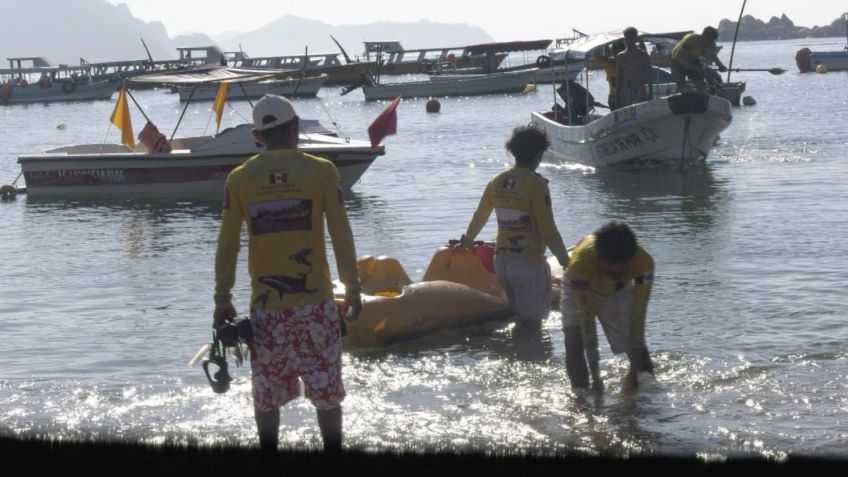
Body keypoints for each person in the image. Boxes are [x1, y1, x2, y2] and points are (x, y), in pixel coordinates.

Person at [213, 94, 362, 452]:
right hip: (316, 306)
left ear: (258, 135)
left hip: (266, 312)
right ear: (295, 126)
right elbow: (341, 235)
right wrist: (353, 288)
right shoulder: (322, 171)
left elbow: (227, 244)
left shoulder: (240, 178)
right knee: (327, 397)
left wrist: (222, 299)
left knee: (266, 399)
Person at [459, 124, 570, 333]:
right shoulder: (537, 184)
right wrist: (565, 261)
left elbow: (480, 217)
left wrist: (467, 240)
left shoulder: (497, 181)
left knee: (520, 319)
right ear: (539, 154)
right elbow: (548, 229)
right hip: (529, 264)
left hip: (502, 263)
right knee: (533, 327)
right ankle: (527, 360)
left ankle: (516, 354)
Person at [560, 221, 655, 392]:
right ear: (599, 257)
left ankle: (649, 396)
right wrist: (596, 377)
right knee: (574, 338)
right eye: (611, 266)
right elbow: (587, 322)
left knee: (636, 347)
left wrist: (632, 374)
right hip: (579, 284)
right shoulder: (580, 265)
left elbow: (638, 321)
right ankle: (580, 395)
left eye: (622, 266)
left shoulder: (644, 263)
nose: (617, 270)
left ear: (631, 258)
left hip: (619, 288)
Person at [671, 26, 728, 94]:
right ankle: (676, 99)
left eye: (712, 40)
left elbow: (713, 56)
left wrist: (721, 66)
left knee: (701, 85)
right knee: (680, 84)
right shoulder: (691, 40)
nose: (709, 43)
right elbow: (678, 57)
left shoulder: (711, 45)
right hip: (678, 62)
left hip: (693, 61)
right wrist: (692, 67)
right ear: (703, 36)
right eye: (709, 40)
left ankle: (702, 99)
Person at [615, 27, 653, 108]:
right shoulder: (620, 56)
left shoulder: (643, 55)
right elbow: (618, 77)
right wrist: (616, 96)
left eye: (631, 38)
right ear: (624, 39)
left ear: (636, 39)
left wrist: (651, 92)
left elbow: (649, 75)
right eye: (627, 38)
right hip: (625, 91)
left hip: (640, 91)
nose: (629, 41)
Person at [591, 41, 623, 110]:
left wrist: (603, 45)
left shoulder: (609, 64)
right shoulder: (609, 64)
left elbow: (596, 54)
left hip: (621, 97)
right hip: (616, 97)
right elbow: (597, 55)